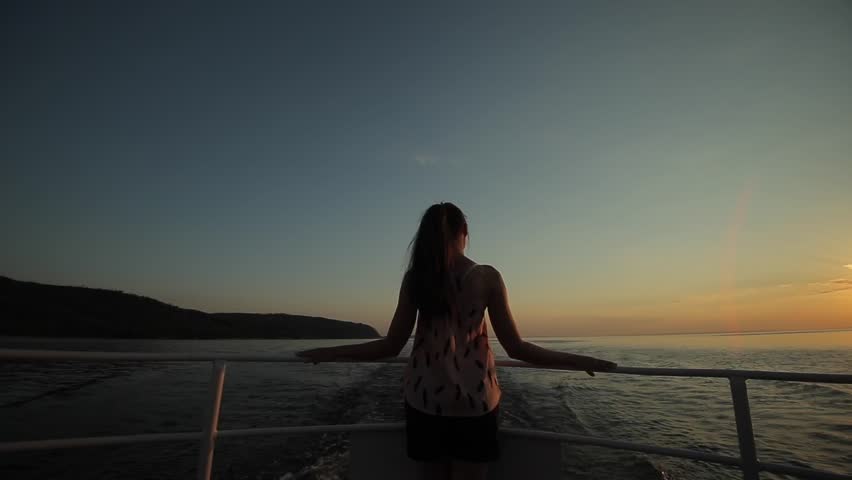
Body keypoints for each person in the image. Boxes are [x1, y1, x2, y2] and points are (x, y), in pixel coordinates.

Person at [297, 202, 617, 480]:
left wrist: (327, 352)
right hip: (475, 404)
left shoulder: (416, 278)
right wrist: (580, 360)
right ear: (464, 230)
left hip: (424, 400)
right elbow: (517, 348)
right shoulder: (487, 277)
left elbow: (390, 346)